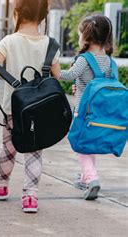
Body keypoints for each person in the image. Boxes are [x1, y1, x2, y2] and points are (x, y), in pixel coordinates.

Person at [0, 0, 60, 213]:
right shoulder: (50, 44)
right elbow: (58, 77)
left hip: (13, 110)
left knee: (9, 149)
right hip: (40, 110)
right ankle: (31, 197)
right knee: (34, 151)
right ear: (43, 16)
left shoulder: (9, 41)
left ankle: (1, 185)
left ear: (16, 14)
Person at [56, 15, 116, 200]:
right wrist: (80, 84)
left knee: (80, 145)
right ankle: (84, 177)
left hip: (83, 111)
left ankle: (91, 178)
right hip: (101, 112)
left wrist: (54, 67)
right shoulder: (108, 61)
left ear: (86, 37)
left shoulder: (84, 59)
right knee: (88, 144)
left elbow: (67, 75)